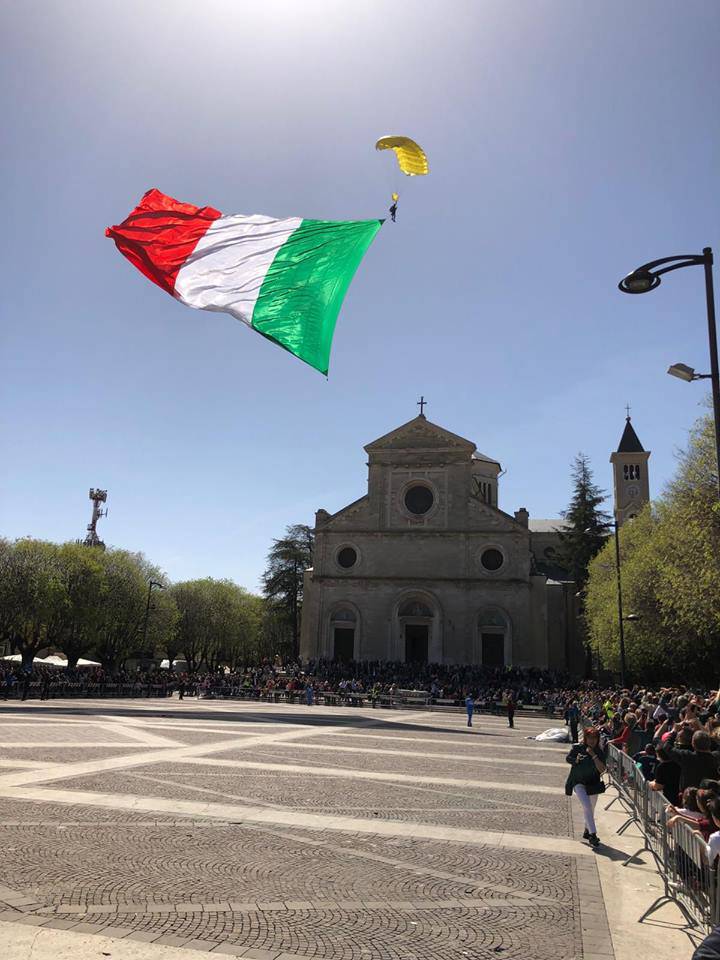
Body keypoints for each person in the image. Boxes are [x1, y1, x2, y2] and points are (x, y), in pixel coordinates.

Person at [565, 726, 607, 848]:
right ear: (585, 738)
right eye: (589, 738)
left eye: (594, 738)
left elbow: (602, 769)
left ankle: (587, 830)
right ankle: (593, 835)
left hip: (593, 784)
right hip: (578, 782)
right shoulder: (577, 747)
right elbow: (568, 758)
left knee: (591, 809)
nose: (591, 740)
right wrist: (576, 760)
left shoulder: (599, 752)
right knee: (587, 806)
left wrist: (593, 755)